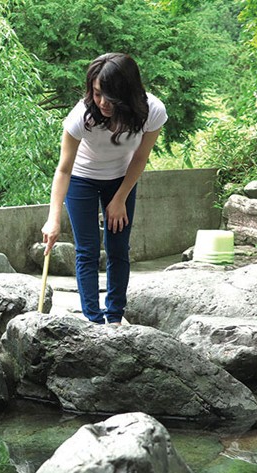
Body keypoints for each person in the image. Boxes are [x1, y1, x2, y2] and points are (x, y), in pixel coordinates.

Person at [41, 53, 167, 325]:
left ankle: (115, 317)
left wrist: (120, 198)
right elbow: (63, 169)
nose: (102, 103)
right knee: (87, 250)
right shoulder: (81, 116)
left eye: (110, 97)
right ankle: (94, 320)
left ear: (127, 93)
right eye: (97, 94)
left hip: (121, 179)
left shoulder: (152, 111)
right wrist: (53, 219)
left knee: (118, 248)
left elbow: (140, 158)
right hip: (81, 179)